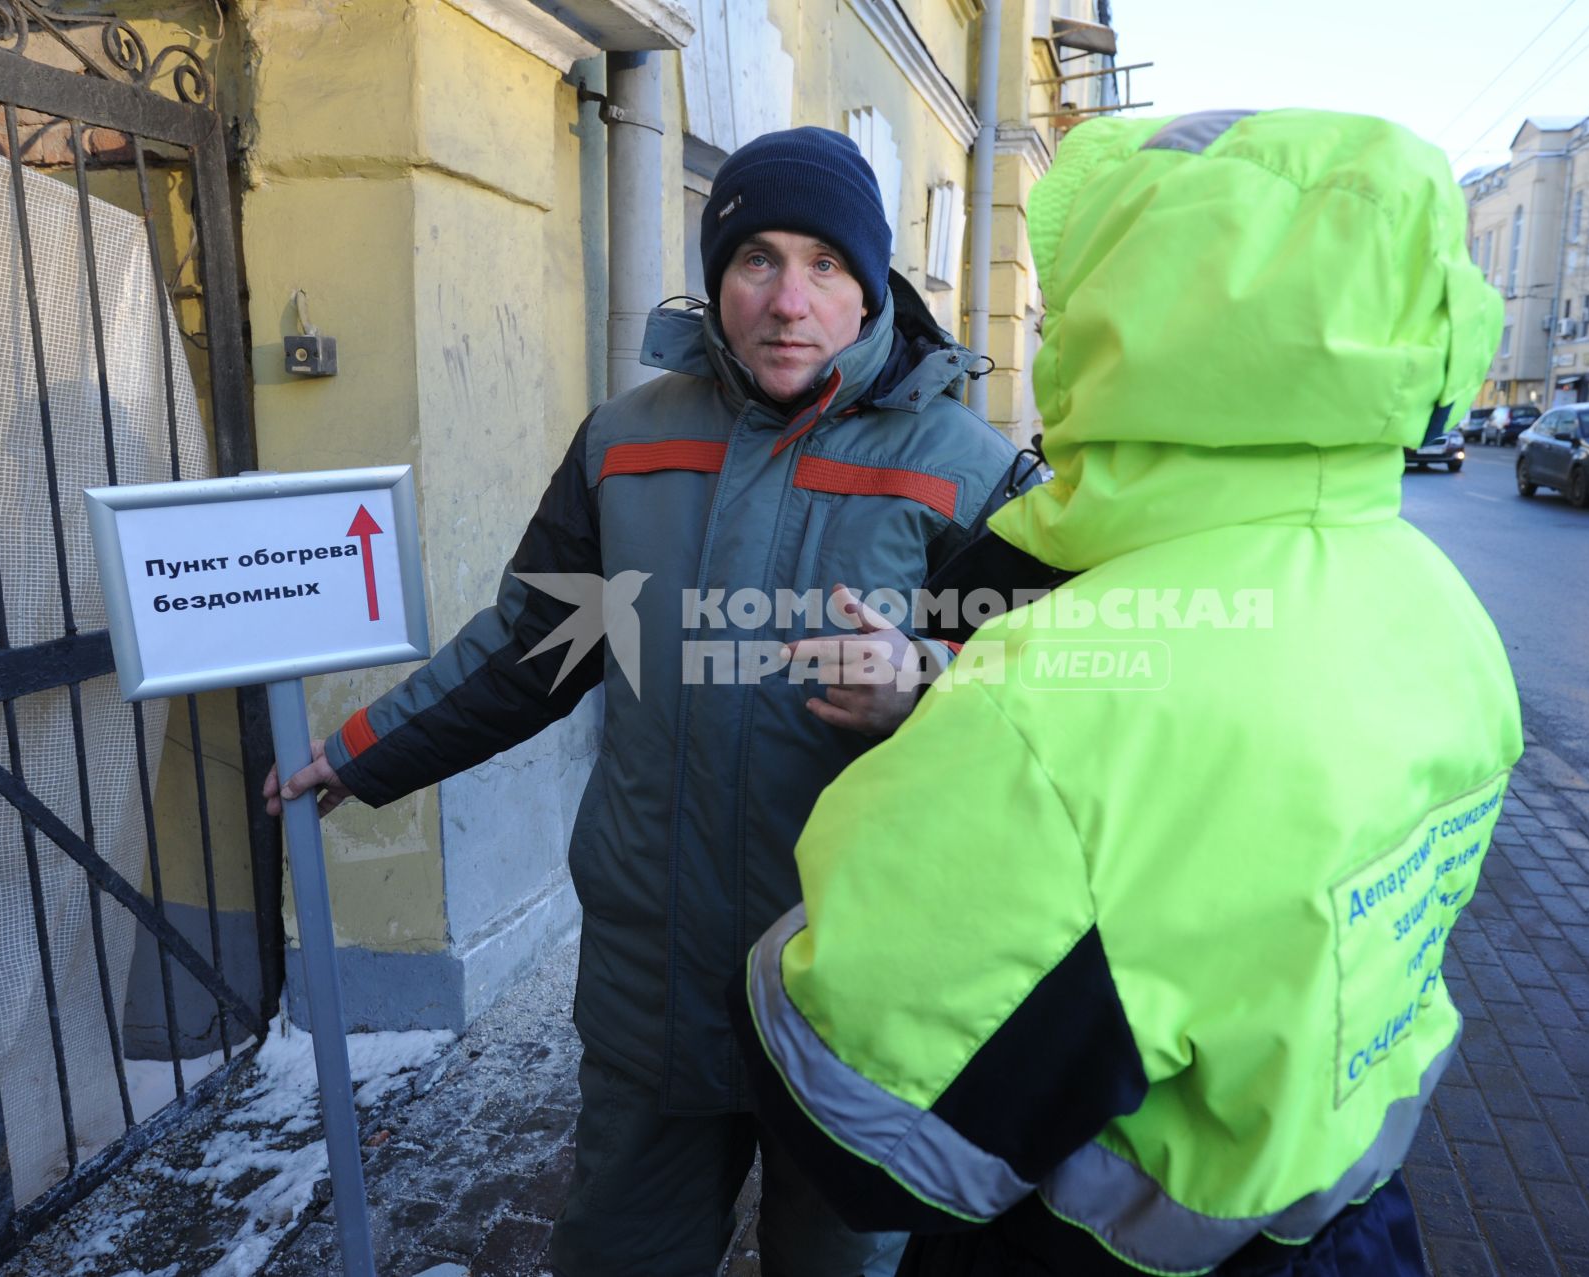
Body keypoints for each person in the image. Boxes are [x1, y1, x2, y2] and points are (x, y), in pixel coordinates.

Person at [728, 108, 1523, 1276]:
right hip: (1356, 1219)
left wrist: (802, 923)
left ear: (1147, 326)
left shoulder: (1059, 697)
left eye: (1077, 298)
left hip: (1107, 1252)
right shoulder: (1435, 602)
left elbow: (862, 1122)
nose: (1053, 322)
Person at [264, 126, 1028, 1276]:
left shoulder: (966, 467)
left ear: (872, 284)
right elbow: (535, 644)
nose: (787, 300)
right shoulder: (626, 441)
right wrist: (361, 749)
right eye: (757, 258)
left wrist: (925, 683)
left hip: (861, 989)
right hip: (652, 984)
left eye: (826, 264)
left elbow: (1056, 697)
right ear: (717, 276)